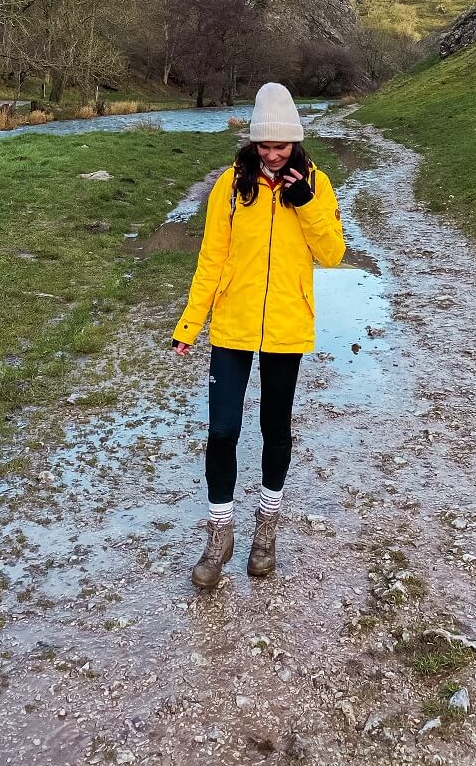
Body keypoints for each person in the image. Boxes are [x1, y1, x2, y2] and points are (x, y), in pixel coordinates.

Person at [172, 81, 346, 588]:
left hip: (287, 328)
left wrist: (307, 203)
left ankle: (265, 530)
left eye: (281, 146)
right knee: (222, 431)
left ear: (295, 142)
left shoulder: (317, 183)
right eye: (264, 146)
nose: (272, 155)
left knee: (275, 429)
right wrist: (191, 322)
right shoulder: (229, 185)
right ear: (252, 143)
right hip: (233, 325)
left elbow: (333, 254)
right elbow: (212, 258)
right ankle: (219, 534)